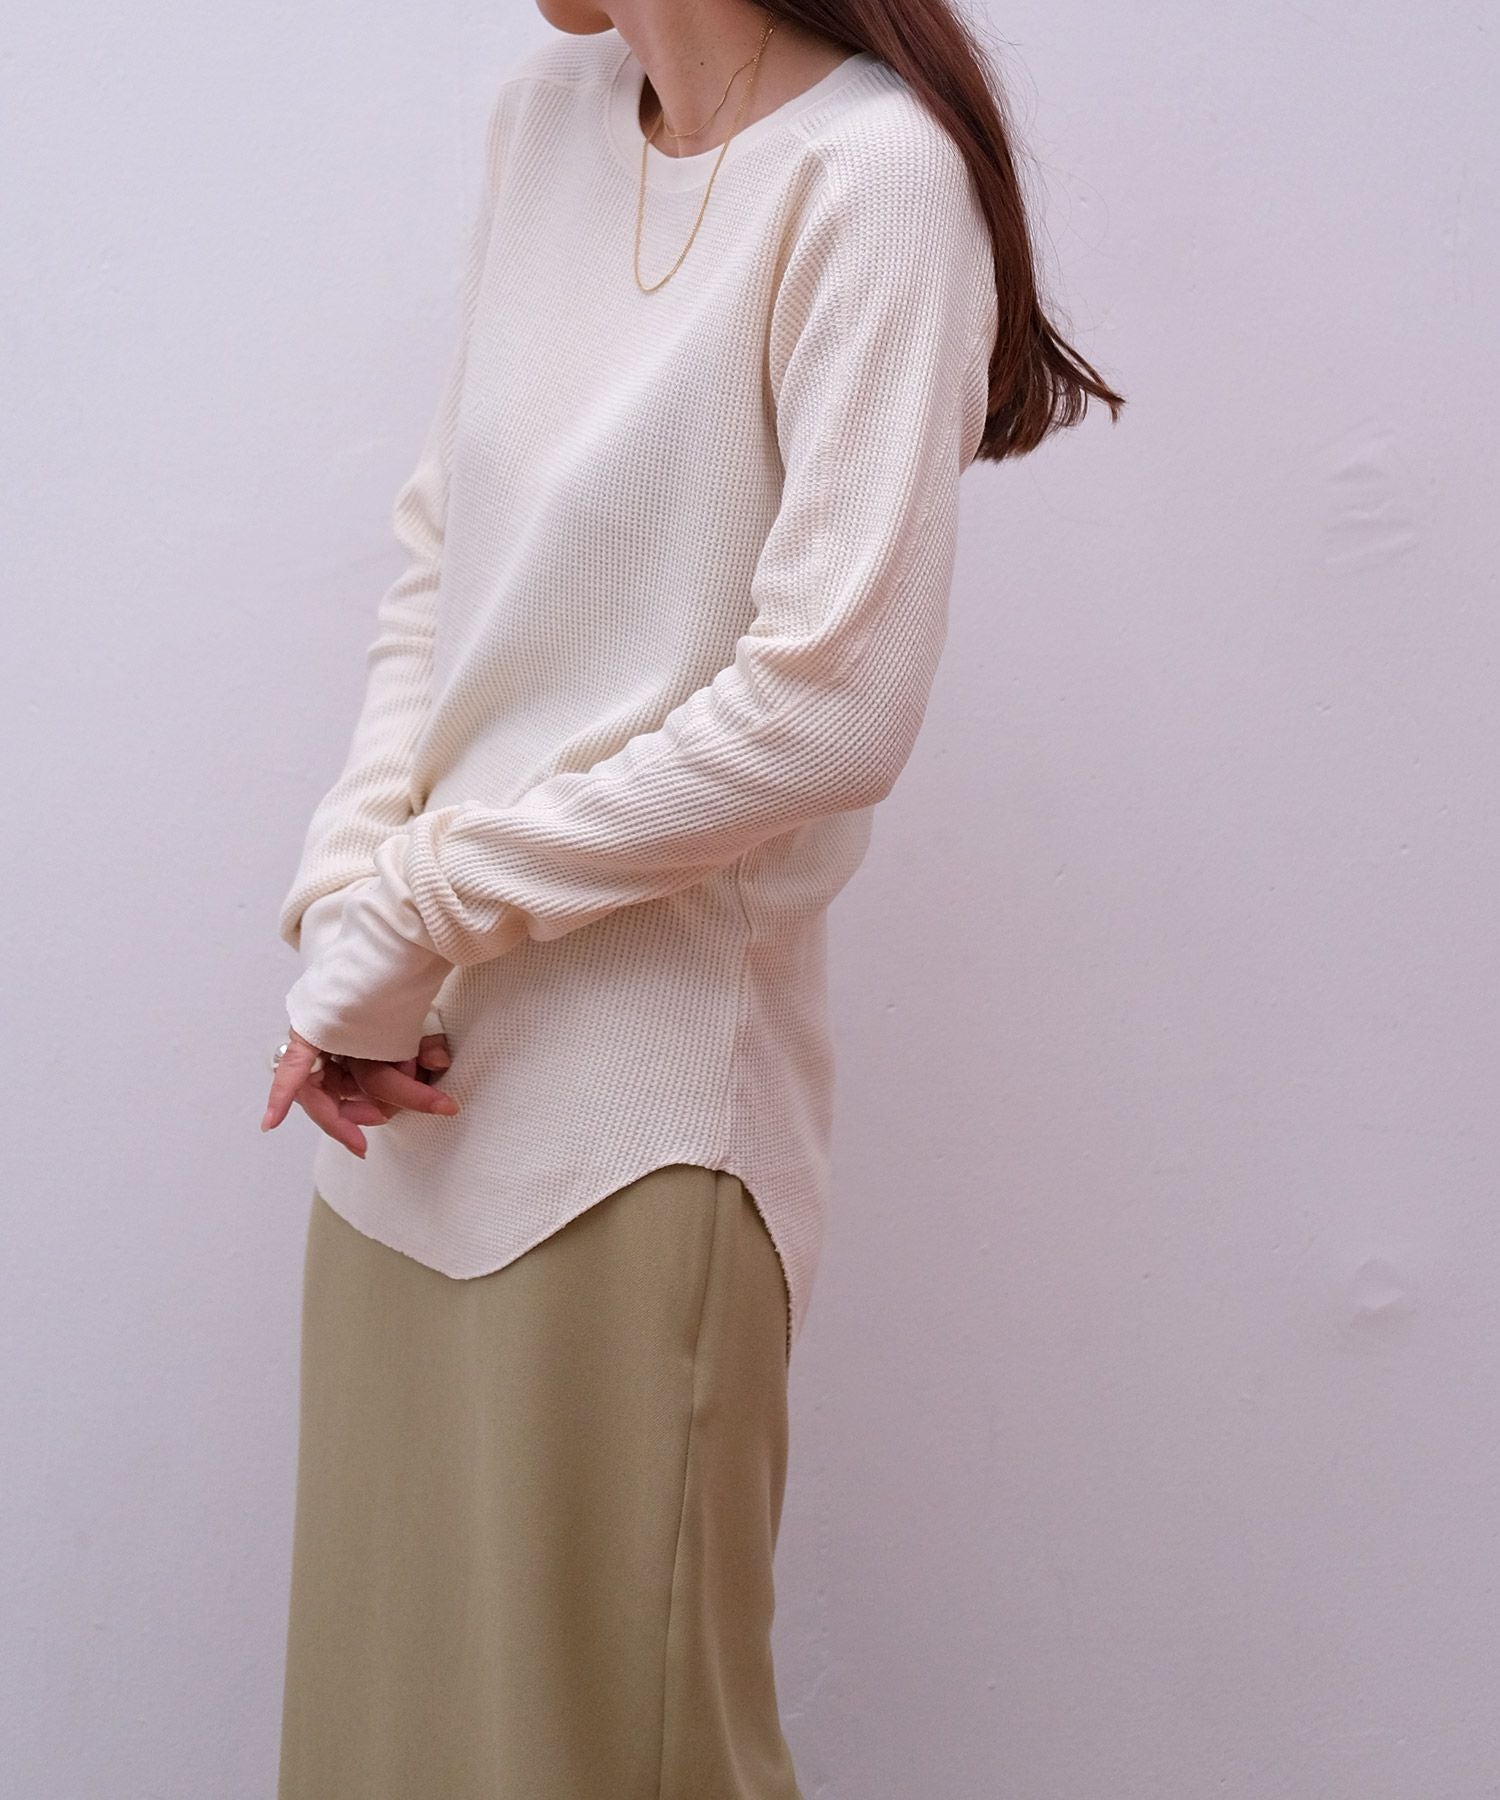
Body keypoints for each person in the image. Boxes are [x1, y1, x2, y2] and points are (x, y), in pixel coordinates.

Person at [260, 1, 1123, 1793]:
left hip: (635, 1137)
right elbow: (443, 560)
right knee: (386, 1745)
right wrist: (345, 914)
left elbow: (828, 710)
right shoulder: (548, 121)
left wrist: (417, 912)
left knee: (604, 1753)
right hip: (405, 1112)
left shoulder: (874, 181)